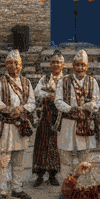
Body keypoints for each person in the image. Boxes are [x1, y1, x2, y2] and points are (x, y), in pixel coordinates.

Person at [0, 49, 36, 199]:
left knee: (19, 159)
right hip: (5, 126)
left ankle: (17, 188)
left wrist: (21, 108)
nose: (14, 66)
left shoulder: (26, 82)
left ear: (21, 65)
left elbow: (32, 103)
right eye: (10, 63)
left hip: (20, 126)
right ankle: (2, 190)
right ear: (6, 65)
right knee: (3, 159)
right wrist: (9, 109)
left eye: (17, 63)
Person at [55, 49, 100, 198]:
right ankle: (66, 188)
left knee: (84, 158)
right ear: (73, 65)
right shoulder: (64, 81)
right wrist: (70, 108)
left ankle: (83, 186)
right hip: (68, 123)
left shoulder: (92, 81)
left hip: (85, 124)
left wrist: (90, 106)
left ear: (87, 66)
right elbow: (58, 100)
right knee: (66, 158)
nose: (80, 68)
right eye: (77, 65)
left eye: (83, 65)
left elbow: (97, 102)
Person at [32, 50, 64, 187]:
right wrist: (48, 94)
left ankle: (53, 174)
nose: (56, 65)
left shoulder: (66, 79)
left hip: (60, 116)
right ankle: (39, 174)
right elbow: (37, 92)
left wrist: (55, 95)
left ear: (63, 64)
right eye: (53, 62)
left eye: (58, 62)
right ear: (50, 64)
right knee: (42, 144)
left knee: (55, 145)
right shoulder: (44, 79)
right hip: (46, 116)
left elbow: (68, 95)